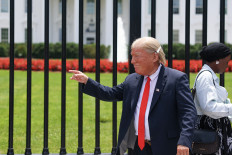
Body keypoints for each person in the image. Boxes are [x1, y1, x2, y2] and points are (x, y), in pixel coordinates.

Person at [70, 37, 197, 155]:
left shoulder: (176, 79)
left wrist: (184, 141)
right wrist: (87, 81)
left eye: (137, 56)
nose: (132, 61)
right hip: (137, 147)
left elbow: (188, 112)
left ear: (154, 57)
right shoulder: (132, 80)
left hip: (166, 147)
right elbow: (110, 93)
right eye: (132, 56)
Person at [193, 43, 232, 155]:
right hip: (210, 130)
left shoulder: (210, 76)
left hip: (215, 129)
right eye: (227, 61)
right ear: (218, 60)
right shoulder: (206, 77)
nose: (227, 65)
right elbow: (209, 107)